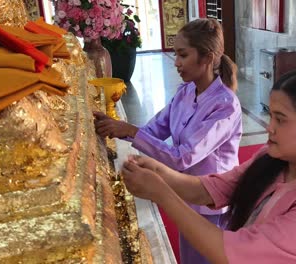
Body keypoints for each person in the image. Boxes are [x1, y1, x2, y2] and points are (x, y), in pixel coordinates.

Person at [121, 67, 296, 264]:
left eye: (280, 120)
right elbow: (212, 189)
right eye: (270, 115)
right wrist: (161, 172)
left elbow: (230, 254)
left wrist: (162, 194)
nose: (268, 127)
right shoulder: (273, 160)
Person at [94, 18, 242, 264]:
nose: (176, 63)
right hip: (186, 195)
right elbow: (153, 130)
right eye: (176, 55)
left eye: (183, 55)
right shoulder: (186, 92)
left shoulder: (224, 106)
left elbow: (183, 157)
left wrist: (130, 130)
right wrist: (116, 126)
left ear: (206, 57)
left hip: (211, 203)